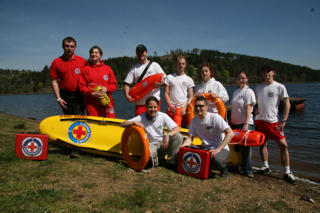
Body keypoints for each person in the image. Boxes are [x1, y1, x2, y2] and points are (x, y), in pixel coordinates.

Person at [254, 65, 296, 184]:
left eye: (268, 71)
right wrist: (256, 107)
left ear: (273, 73)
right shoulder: (258, 87)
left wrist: (284, 120)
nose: (266, 73)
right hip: (259, 120)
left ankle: (287, 171)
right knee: (262, 144)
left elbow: (287, 103)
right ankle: (265, 166)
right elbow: (256, 102)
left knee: (283, 145)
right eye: (263, 71)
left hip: (273, 122)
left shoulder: (279, 87)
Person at [121, 96, 183, 168]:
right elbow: (122, 124)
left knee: (178, 137)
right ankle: (157, 162)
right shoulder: (141, 117)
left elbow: (177, 128)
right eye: (150, 107)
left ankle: (171, 162)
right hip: (150, 144)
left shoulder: (163, 116)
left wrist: (168, 135)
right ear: (146, 107)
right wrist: (134, 122)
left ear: (157, 107)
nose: (153, 109)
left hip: (162, 143)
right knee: (150, 154)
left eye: (155, 107)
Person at [182, 96, 234, 177]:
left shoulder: (215, 117)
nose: (198, 108)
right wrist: (183, 148)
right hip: (205, 147)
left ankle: (224, 169)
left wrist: (218, 149)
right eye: (196, 106)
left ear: (206, 107)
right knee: (188, 149)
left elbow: (230, 133)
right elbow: (190, 138)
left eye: (201, 106)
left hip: (220, 147)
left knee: (218, 160)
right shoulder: (194, 120)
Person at [124, 44, 166, 115]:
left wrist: (161, 83)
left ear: (146, 52)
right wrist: (127, 95)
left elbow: (164, 78)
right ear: (136, 53)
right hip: (140, 103)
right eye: (139, 52)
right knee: (140, 125)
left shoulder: (155, 65)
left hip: (154, 103)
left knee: (154, 124)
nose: (141, 54)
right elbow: (126, 83)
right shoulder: (134, 69)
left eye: (142, 52)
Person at [50, 36, 86, 115]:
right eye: (67, 46)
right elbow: (54, 81)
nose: (69, 48)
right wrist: (58, 98)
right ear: (63, 46)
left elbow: (89, 78)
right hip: (65, 95)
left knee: (78, 119)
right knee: (68, 119)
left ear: (75, 48)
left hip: (79, 95)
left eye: (72, 46)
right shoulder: (56, 62)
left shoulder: (82, 61)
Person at [230, 72, 256, 178]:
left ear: (247, 79)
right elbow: (234, 108)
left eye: (243, 78)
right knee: (237, 147)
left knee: (246, 148)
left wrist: (246, 123)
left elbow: (249, 108)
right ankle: (238, 166)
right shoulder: (236, 91)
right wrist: (231, 121)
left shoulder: (249, 91)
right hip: (235, 123)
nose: (241, 80)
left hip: (245, 123)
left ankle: (248, 170)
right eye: (239, 78)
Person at [79, 46, 117, 117]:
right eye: (92, 53)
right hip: (91, 103)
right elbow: (82, 87)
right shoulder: (85, 70)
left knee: (110, 123)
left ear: (100, 55)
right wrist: (92, 94)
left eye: (96, 53)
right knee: (94, 125)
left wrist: (106, 88)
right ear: (90, 55)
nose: (94, 54)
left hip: (106, 102)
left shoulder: (107, 69)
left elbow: (113, 84)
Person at [164, 56, 194, 127]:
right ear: (176, 64)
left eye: (183, 64)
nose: (181, 65)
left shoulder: (189, 79)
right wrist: (170, 105)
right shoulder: (169, 77)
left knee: (182, 132)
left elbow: (191, 96)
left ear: (185, 65)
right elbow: (165, 94)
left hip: (183, 110)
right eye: (179, 63)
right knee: (170, 131)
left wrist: (185, 107)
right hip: (171, 109)